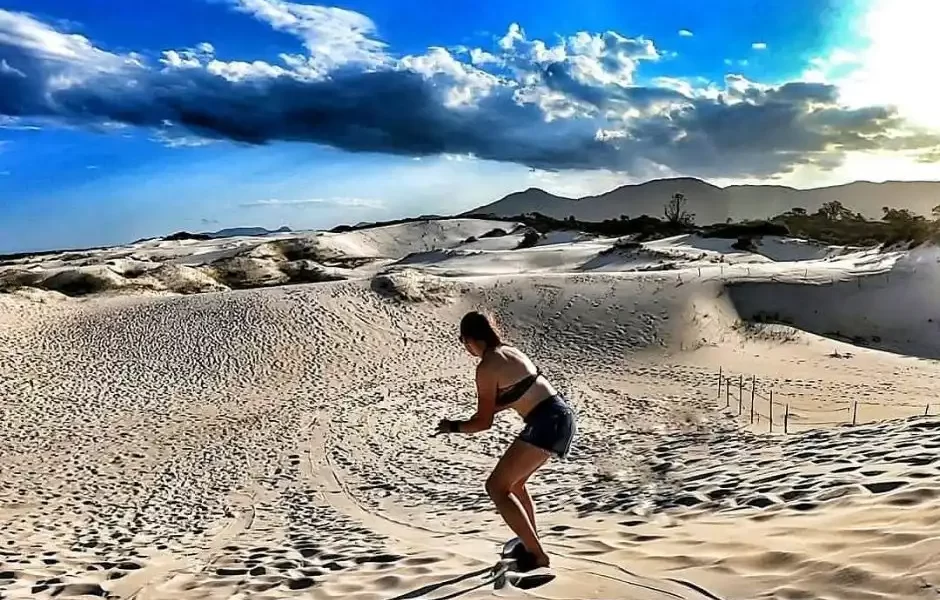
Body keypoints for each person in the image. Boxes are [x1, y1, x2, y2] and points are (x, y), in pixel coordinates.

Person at [435, 310, 576, 571]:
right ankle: (529, 543)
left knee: (496, 487)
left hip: (545, 421)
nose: (465, 347)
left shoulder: (487, 366)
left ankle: (537, 555)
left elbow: (483, 423)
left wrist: (453, 427)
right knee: (516, 484)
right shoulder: (510, 352)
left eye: (462, 341)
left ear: (469, 339)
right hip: (561, 416)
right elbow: (518, 394)